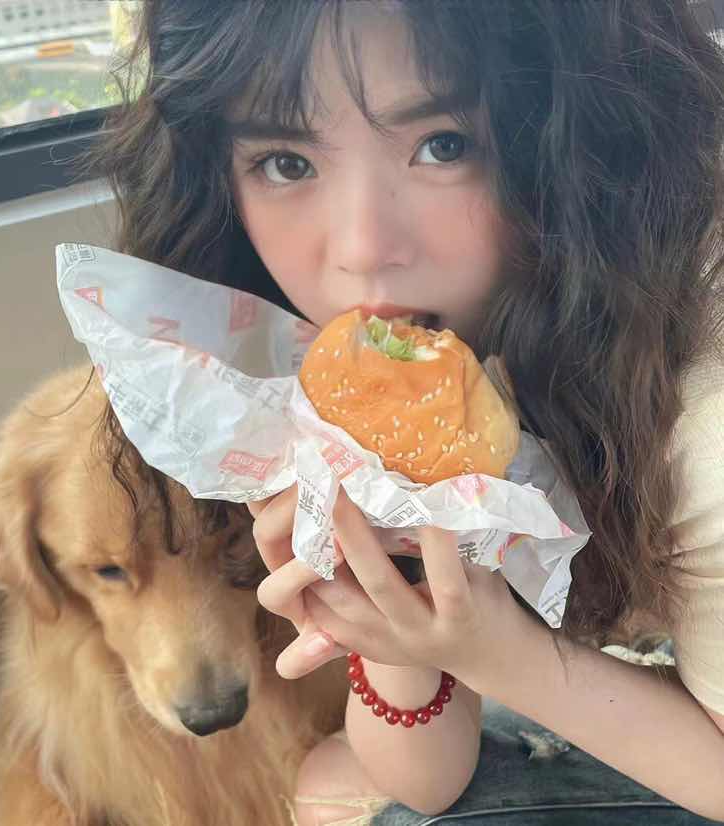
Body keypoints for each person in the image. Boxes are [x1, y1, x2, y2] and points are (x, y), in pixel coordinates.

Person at [82, 1, 724, 824]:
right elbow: (426, 780)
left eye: (445, 145)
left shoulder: (702, 418)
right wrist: (395, 615)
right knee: (333, 784)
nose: (360, 248)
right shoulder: (392, 383)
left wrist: (504, 655)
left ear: (586, 143)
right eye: (285, 162)